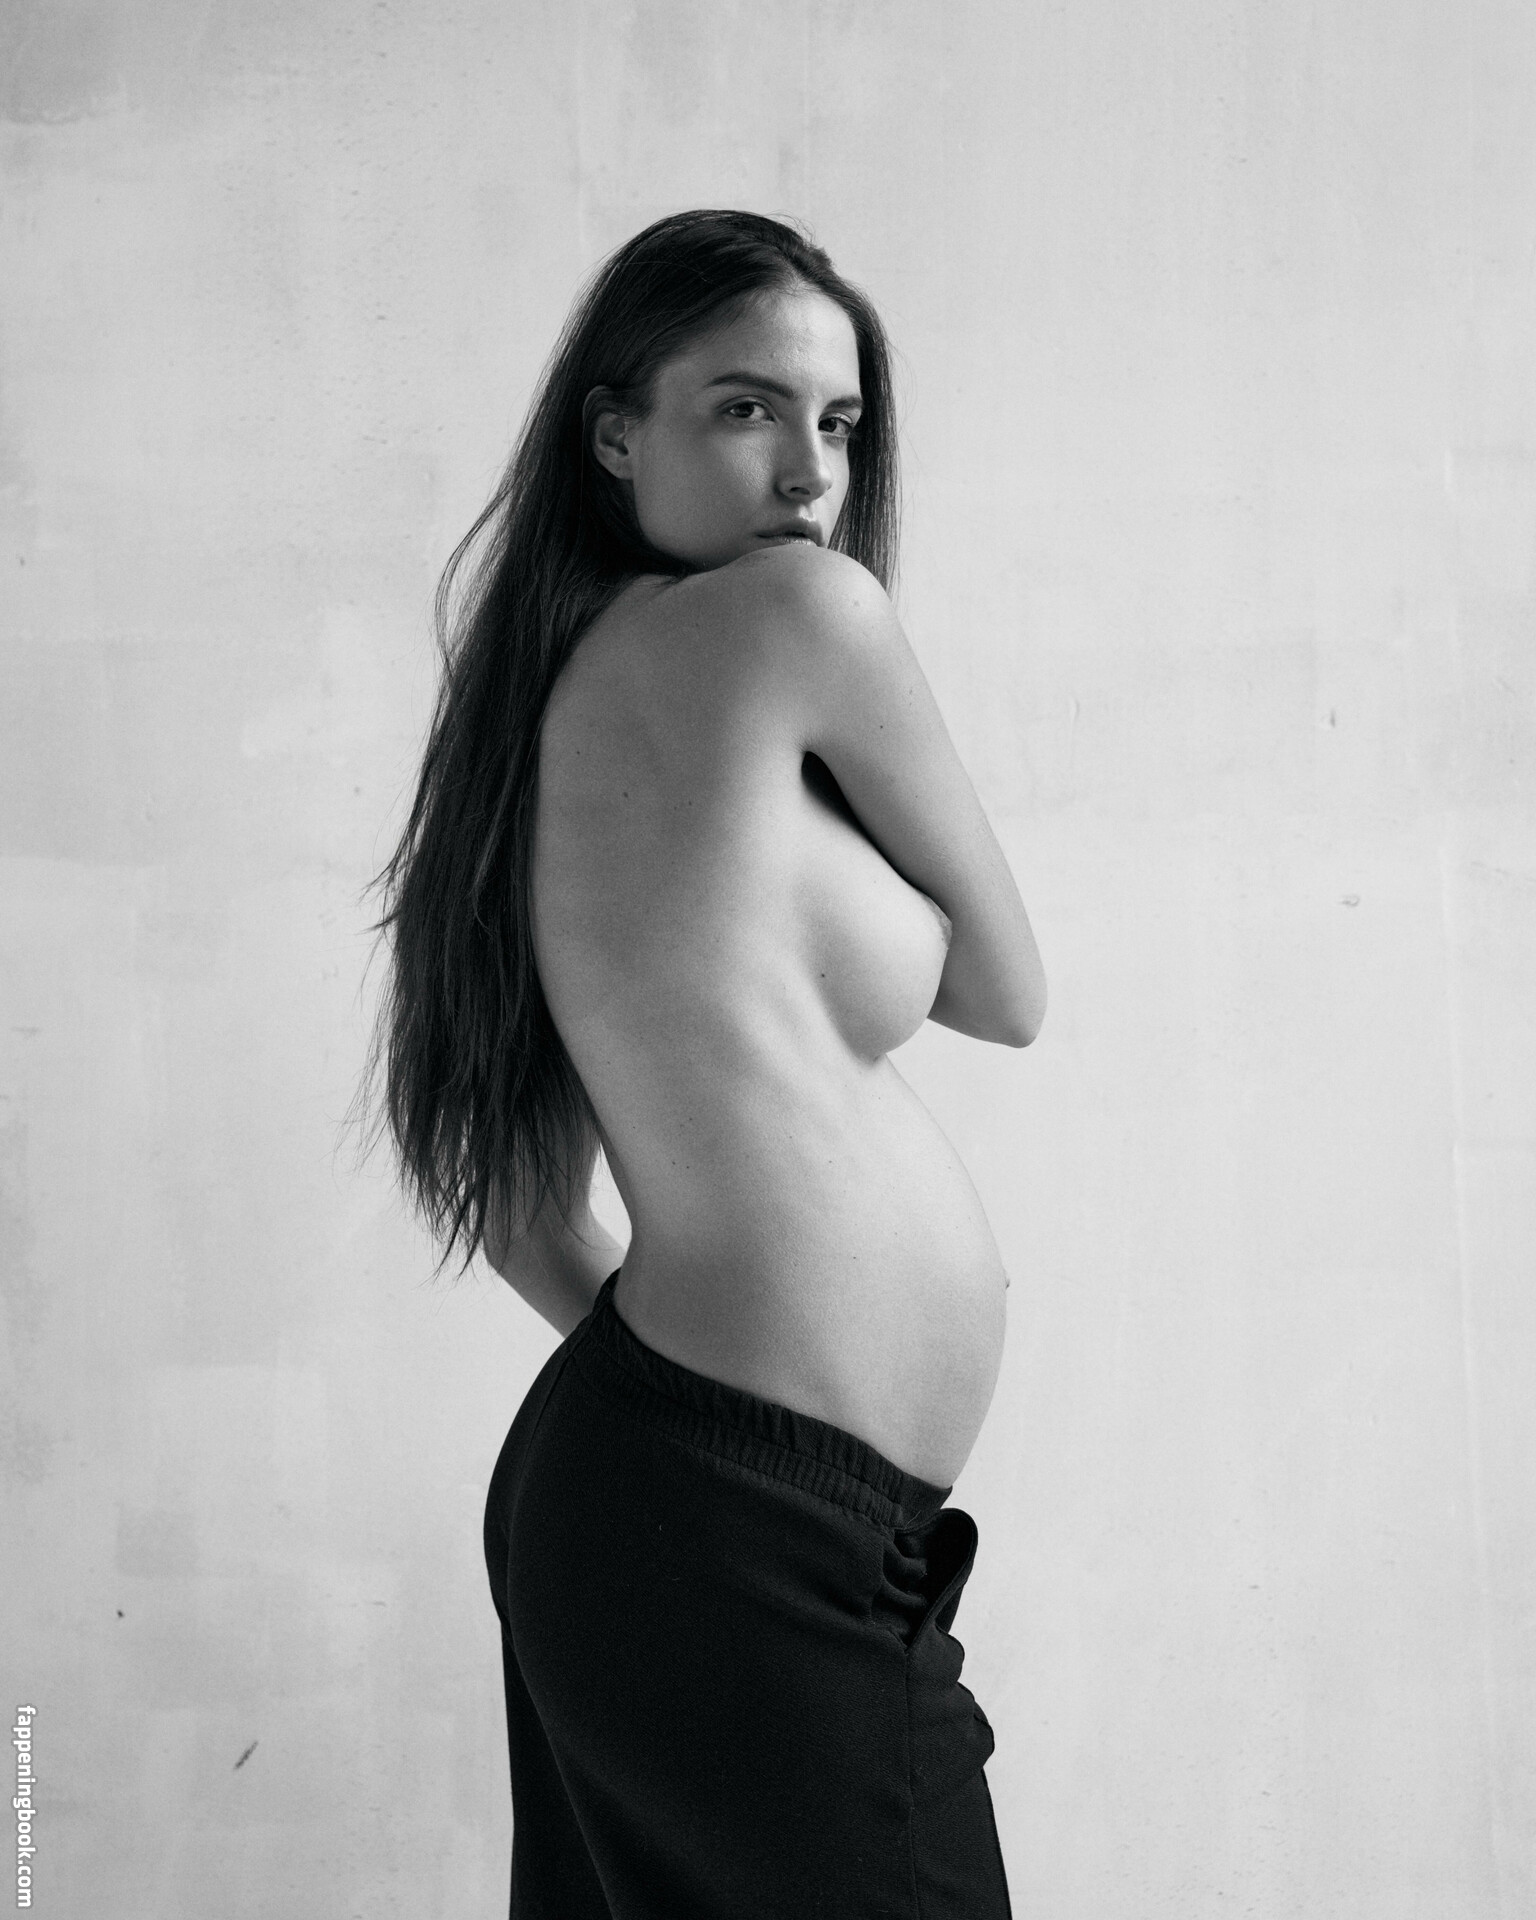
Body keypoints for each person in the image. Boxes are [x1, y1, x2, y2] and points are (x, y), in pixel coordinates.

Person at [365, 209, 1046, 1918]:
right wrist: (737, 1429)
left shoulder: (539, 732)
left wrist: (687, 1420)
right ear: (615, 434)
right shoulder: (806, 616)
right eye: (747, 408)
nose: (810, 472)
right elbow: (1008, 986)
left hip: (664, 1505)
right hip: (740, 1530)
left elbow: (526, 1214)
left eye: (840, 423)